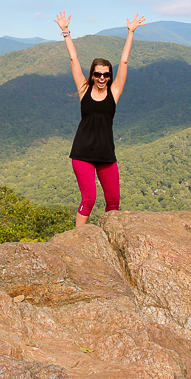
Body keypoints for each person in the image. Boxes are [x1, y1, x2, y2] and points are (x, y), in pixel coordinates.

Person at [54, 11, 146, 227]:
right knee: (89, 199)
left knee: (113, 202)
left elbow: (123, 62)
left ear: (109, 76)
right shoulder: (83, 89)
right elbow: (74, 59)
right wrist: (65, 31)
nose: (102, 78)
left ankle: (110, 237)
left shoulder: (114, 92)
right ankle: (79, 241)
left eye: (105, 74)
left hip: (106, 153)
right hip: (83, 153)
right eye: (98, 74)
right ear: (92, 75)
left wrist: (131, 32)